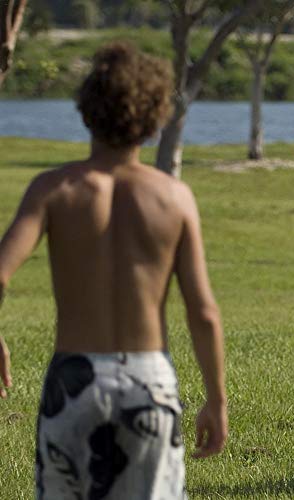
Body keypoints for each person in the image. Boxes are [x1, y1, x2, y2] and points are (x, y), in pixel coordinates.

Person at [0, 42, 227, 499]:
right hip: (148, 381)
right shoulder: (173, 198)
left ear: (85, 112)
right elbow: (203, 312)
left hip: (73, 379)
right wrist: (216, 400)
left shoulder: (53, 189)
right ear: (155, 119)